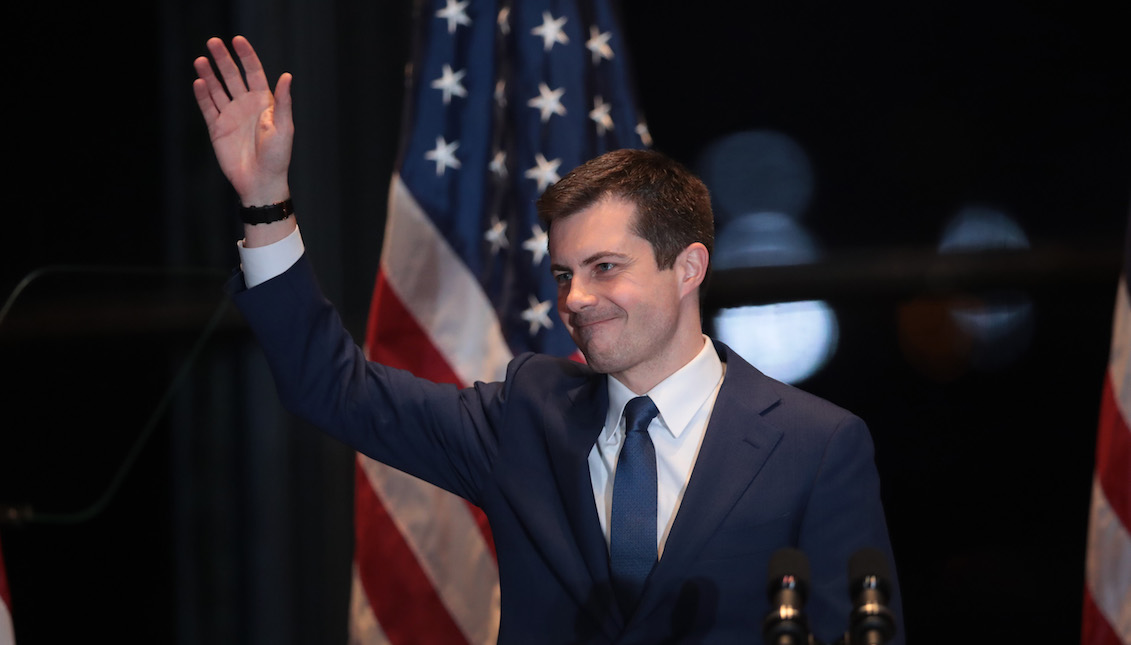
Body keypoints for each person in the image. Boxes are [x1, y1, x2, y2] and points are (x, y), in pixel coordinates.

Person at [194, 35, 904, 644]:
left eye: (604, 269)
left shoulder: (817, 445)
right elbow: (332, 386)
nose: (574, 299)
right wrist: (265, 200)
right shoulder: (523, 417)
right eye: (563, 273)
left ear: (687, 267)